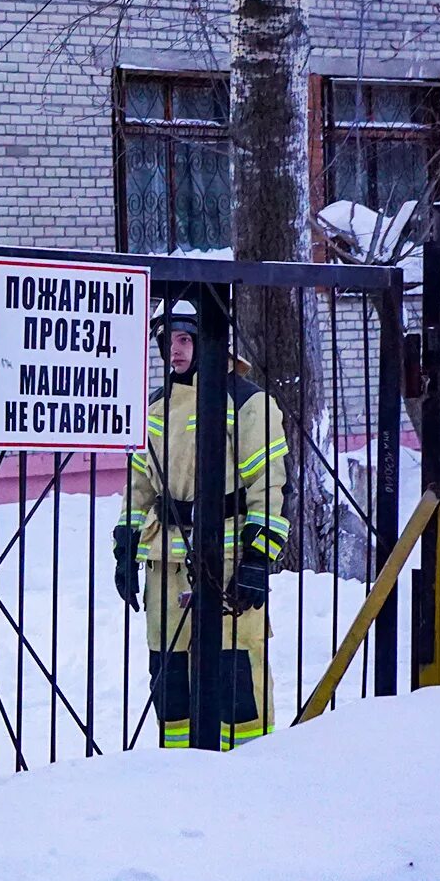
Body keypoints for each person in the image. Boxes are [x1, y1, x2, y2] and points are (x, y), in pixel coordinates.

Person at [113, 299, 289, 751]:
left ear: (210, 339)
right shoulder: (154, 406)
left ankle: (249, 762)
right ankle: (178, 768)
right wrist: (125, 546)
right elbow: (138, 488)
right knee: (169, 673)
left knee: (235, 675)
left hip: (229, 564)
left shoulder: (248, 401)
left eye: (185, 338)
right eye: (167, 339)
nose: (175, 350)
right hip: (164, 562)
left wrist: (257, 560)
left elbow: (267, 486)